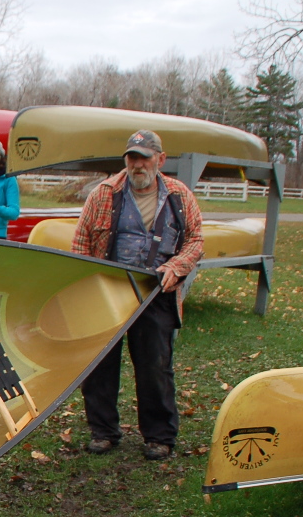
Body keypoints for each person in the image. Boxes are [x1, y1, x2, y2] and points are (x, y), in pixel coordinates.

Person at [71, 129, 204, 461]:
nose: (137, 164)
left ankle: (159, 436)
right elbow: (80, 242)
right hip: (109, 288)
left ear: (160, 159)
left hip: (157, 290)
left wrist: (178, 266)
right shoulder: (103, 194)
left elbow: (196, 241)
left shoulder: (179, 195)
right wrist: (85, 287)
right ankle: (103, 431)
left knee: (155, 366)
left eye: (144, 158)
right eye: (132, 157)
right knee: (100, 365)